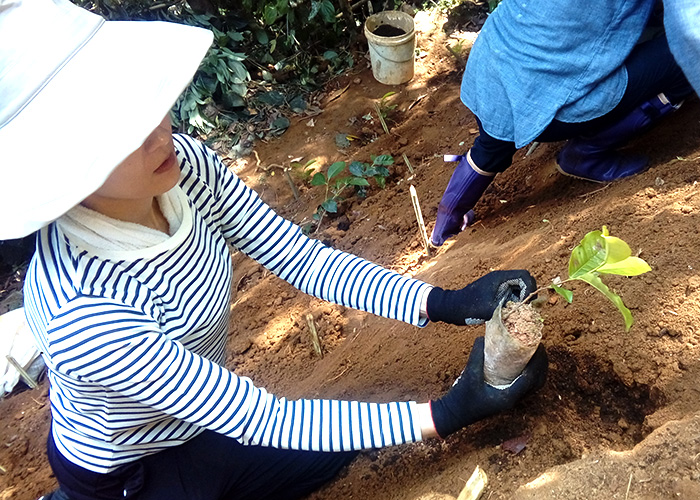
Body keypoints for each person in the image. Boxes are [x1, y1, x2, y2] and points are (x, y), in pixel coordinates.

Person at [0, 1, 548, 499]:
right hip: (130, 467)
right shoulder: (82, 306)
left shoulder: (183, 168)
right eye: (121, 133)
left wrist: (442, 302)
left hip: (200, 418)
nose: (159, 133)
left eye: (146, 102)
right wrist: (450, 413)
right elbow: (260, 416)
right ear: (62, 173)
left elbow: (299, 257)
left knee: (325, 459)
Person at [430, 0, 696, 247]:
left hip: (488, 70)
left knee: (492, 141)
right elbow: (688, 24)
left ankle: (446, 222)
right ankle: (587, 154)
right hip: (551, 107)